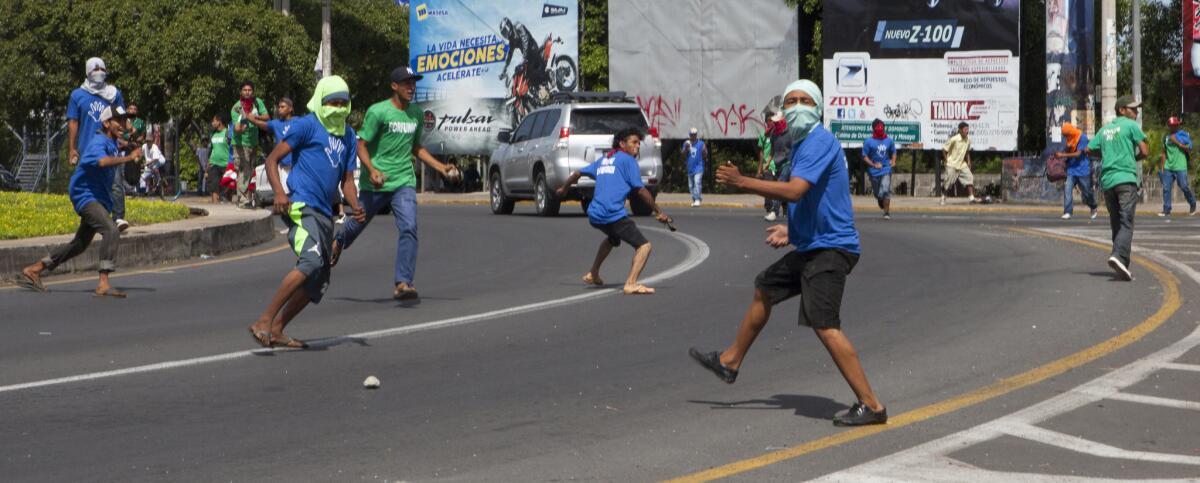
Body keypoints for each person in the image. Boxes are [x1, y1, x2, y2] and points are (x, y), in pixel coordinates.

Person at [688, 79, 887, 427]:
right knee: (765, 287)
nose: (796, 106)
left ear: (818, 107)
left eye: (803, 100)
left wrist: (744, 182)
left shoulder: (819, 141)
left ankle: (872, 405)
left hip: (832, 249)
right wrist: (792, 231)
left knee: (825, 325)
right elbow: (819, 201)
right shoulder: (802, 145)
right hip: (814, 245)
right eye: (790, 100)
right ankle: (730, 361)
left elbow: (795, 192)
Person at [247, 75, 366, 349]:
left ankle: (277, 329)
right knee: (311, 262)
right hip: (302, 205)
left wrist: (355, 205)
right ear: (321, 102)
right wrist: (279, 192)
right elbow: (272, 159)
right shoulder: (307, 125)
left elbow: (347, 181)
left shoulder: (348, 136)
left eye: (342, 103)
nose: (337, 108)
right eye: (332, 102)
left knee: (319, 279)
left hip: (325, 214)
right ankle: (264, 320)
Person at [333, 66, 459, 300]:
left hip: (404, 180)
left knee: (409, 227)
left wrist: (441, 167)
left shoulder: (416, 114)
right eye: (406, 83)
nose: (411, 88)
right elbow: (361, 145)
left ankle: (403, 282)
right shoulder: (378, 112)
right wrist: (371, 170)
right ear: (394, 86)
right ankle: (339, 239)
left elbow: (416, 147)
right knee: (357, 222)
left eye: (413, 83)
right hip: (377, 183)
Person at [17, 107, 140, 297]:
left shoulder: (112, 141)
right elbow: (102, 162)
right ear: (106, 123)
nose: (123, 124)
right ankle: (103, 283)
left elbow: (118, 146)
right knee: (111, 230)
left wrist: (131, 147)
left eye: (125, 120)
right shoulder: (98, 142)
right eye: (119, 120)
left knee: (79, 245)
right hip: (85, 196)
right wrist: (128, 157)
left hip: (97, 198)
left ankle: (34, 270)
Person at [556, 128, 672, 295]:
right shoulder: (628, 161)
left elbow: (577, 173)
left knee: (613, 238)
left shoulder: (605, 159)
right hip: (612, 214)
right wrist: (658, 211)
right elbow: (640, 190)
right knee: (644, 246)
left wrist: (563, 189)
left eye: (639, 143)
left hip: (594, 215)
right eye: (634, 142)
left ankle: (593, 273)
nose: (638, 146)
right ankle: (631, 283)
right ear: (622, 143)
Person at [1086, 95, 1148, 281]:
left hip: (1108, 182)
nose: (1136, 112)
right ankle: (1119, 256)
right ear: (1121, 110)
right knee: (1127, 222)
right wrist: (1132, 158)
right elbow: (1145, 151)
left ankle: (1121, 262)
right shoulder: (1130, 126)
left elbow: (1089, 150)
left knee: (1117, 223)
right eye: (1133, 109)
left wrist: (1107, 156)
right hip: (1126, 180)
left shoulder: (1105, 130)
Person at [67, 57, 126, 229]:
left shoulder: (114, 94)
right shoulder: (77, 95)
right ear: (87, 72)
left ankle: (118, 217)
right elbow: (73, 122)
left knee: (114, 182)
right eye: (95, 69)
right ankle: (93, 220)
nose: (99, 72)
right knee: (89, 186)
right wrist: (72, 149)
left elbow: (121, 117)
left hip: (109, 146)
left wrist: (125, 135)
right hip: (88, 149)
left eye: (102, 68)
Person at [230, 81, 270, 207]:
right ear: (241, 92)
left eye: (250, 90)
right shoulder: (237, 107)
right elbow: (236, 128)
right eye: (245, 90)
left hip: (253, 143)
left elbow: (267, 117)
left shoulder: (257, 103)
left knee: (251, 170)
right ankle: (242, 200)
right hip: (241, 144)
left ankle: (247, 197)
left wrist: (254, 118)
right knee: (244, 169)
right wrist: (241, 127)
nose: (247, 92)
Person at [1055, 122, 1098, 220]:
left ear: (1070, 132)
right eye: (1065, 136)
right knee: (1067, 189)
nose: (1066, 137)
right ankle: (1068, 211)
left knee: (1087, 192)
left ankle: (1093, 206)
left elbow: (1078, 154)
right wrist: (1064, 152)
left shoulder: (1082, 138)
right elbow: (1069, 150)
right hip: (1071, 169)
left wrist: (1063, 155)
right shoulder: (1070, 138)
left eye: (1067, 135)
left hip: (1082, 170)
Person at [757, 107, 791, 222]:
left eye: (777, 122)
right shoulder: (774, 134)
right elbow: (772, 151)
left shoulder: (790, 133)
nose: (775, 124)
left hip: (788, 163)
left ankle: (774, 212)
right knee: (784, 190)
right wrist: (767, 163)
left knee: (780, 184)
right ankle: (789, 211)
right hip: (777, 164)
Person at [1158, 116, 1196, 217]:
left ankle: (1192, 203)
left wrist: (1178, 143)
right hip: (1168, 167)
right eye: (1170, 125)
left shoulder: (1183, 135)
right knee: (1166, 188)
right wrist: (1162, 167)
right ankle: (1166, 209)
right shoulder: (1166, 137)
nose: (1172, 127)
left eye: (1174, 125)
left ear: (1177, 125)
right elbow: (1163, 153)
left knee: (1184, 186)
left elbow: (1189, 148)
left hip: (1180, 166)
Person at [862, 119, 896, 219]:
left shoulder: (889, 140)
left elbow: (893, 152)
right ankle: (880, 199)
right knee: (878, 194)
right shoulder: (868, 142)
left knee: (885, 190)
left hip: (886, 169)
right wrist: (873, 164)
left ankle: (886, 213)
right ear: (873, 129)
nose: (880, 129)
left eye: (882, 127)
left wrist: (893, 161)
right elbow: (864, 156)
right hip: (873, 172)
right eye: (878, 128)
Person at [941, 122, 976, 205]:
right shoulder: (954, 139)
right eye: (965, 129)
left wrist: (969, 161)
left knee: (969, 177)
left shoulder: (968, 140)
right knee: (948, 182)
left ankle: (971, 198)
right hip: (952, 164)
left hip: (962, 164)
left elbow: (967, 151)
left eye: (968, 129)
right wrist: (946, 160)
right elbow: (944, 149)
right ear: (960, 130)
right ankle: (943, 198)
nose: (967, 131)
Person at [207, 113, 234, 204]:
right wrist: (208, 166)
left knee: (227, 187)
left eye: (214, 121)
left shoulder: (227, 132)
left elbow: (233, 148)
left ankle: (228, 205)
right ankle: (215, 207)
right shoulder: (213, 134)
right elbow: (212, 150)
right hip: (214, 164)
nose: (212, 123)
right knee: (214, 188)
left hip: (226, 164)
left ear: (219, 122)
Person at [682, 127, 708, 207]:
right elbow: (683, 154)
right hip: (690, 167)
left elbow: (705, 154)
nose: (693, 136)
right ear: (689, 135)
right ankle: (695, 199)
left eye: (694, 134)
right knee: (691, 185)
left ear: (696, 135)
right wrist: (686, 148)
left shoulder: (701, 143)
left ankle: (697, 199)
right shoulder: (687, 143)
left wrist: (704, 152)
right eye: (692, 134)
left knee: (697, 182)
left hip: (699, 167)